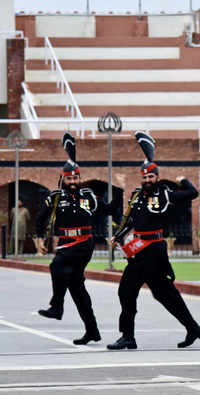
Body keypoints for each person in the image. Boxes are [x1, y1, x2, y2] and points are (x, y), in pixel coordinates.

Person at [107, 131, 200, 351]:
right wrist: (118, 236)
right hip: (139, 249)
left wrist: (183, 180)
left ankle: (127, 336)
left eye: (150, 177)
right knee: (163, 292)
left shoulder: (165, 194)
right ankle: (193, 328)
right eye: (144, 177)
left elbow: (192, 193)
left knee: (126, 290)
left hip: (153, 249)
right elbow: (130, 219)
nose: (147, 180)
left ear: (157, 177)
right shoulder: (136, 195)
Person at [34, 132, 123, 346]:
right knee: (77, 288)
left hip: (84, 244)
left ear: (79, 178)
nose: (72, 181)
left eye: (75, 178)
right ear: (64, 178)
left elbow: (110, 209)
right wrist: (39, 239)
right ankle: (92, 330)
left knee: (57, 267)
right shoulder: (56, 197)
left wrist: (119, 189)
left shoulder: (89, 196)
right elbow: (40, 218)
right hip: (65, 243)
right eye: (69, 178)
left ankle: (57, 307)